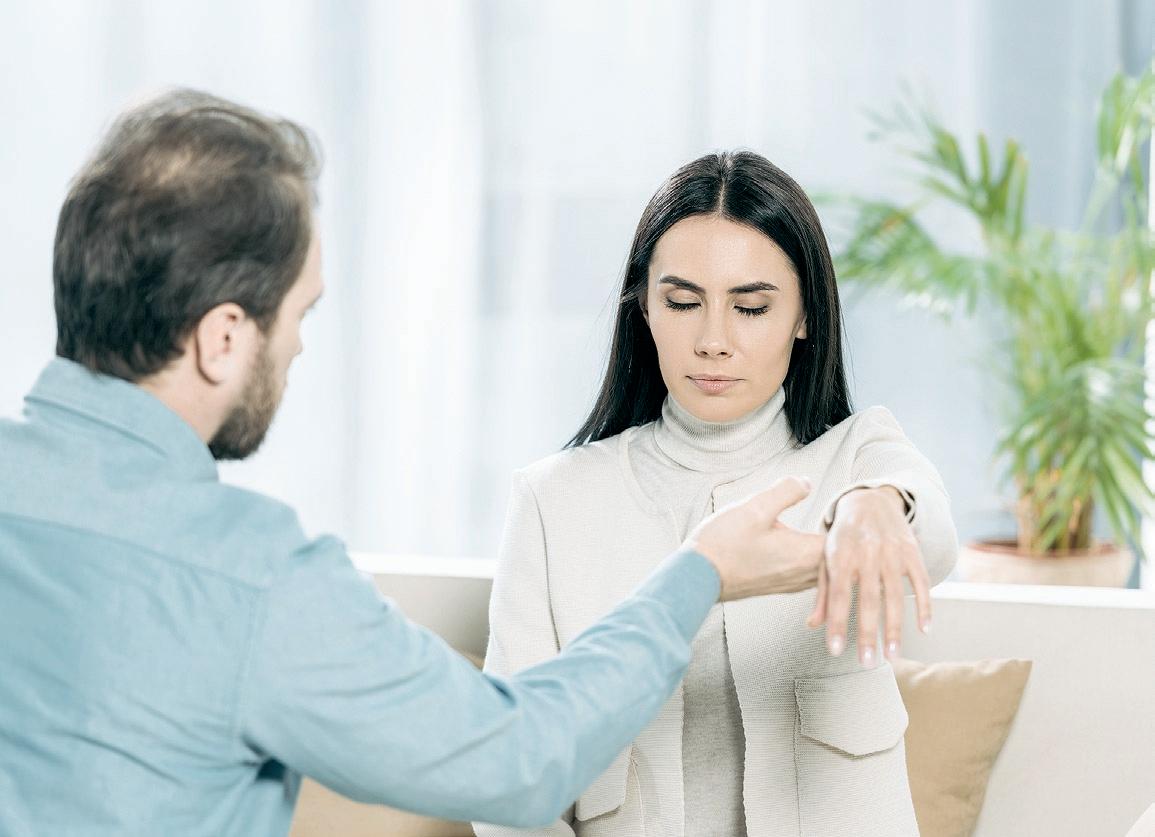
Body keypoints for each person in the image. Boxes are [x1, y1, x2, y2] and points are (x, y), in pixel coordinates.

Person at [0, 92, 832, 836]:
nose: (296, 348)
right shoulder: (251, 577)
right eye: (298, 315)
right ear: (223, 338)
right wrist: (698, 572)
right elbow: (519, 759)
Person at [477, 151, 958, 837]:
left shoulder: (860, 455)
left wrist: (876, 505)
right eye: (682, 302)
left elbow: (930, 538)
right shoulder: (553, 501)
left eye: (751, 307)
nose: (713, 341)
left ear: (804, 316)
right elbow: (509, 785)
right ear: (644, 309)